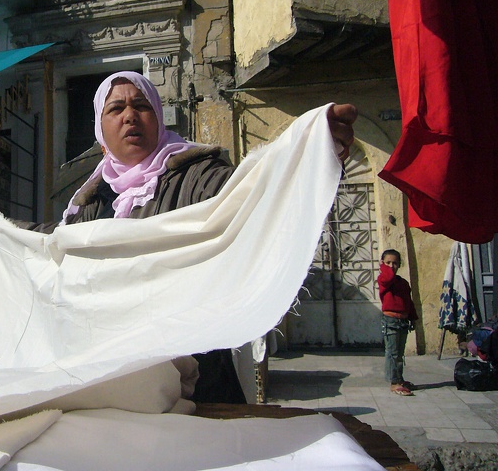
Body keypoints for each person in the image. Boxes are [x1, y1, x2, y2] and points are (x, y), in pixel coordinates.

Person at [34, 70, 357, 403]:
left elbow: (247, 199)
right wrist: (6, 235)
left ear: (158, 118)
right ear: (100, 130)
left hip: (201, 379)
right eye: (115, 109)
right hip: (116, 380)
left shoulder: (197, 174)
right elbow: (58, 248)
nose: (130, 115)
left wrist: (304, 154)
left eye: (141, 105)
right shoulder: (90, 203)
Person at [378, 249, 418, 396]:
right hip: (391, 321)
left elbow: (409, 302)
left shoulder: (403, 283)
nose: (392, 266)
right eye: (388, 262)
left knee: (400, 354)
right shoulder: (383, 280)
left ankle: (399, 379)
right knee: (393, 353)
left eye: (395, 263)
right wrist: (385, 268)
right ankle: (394, 383)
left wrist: (413, 317)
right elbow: (387, 277)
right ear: (382, 264)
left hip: (403, 320)